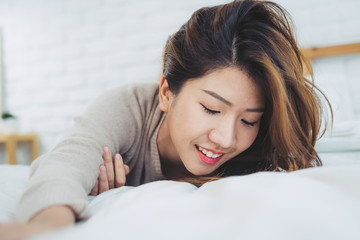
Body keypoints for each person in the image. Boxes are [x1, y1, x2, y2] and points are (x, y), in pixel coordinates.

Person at [0, 0, 331, 238]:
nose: (227, 139)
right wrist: (43, 229)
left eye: (249, 121)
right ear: (166, 93)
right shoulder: (128, 107)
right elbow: (66, 163)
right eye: (211, 109)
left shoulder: (259, 149)